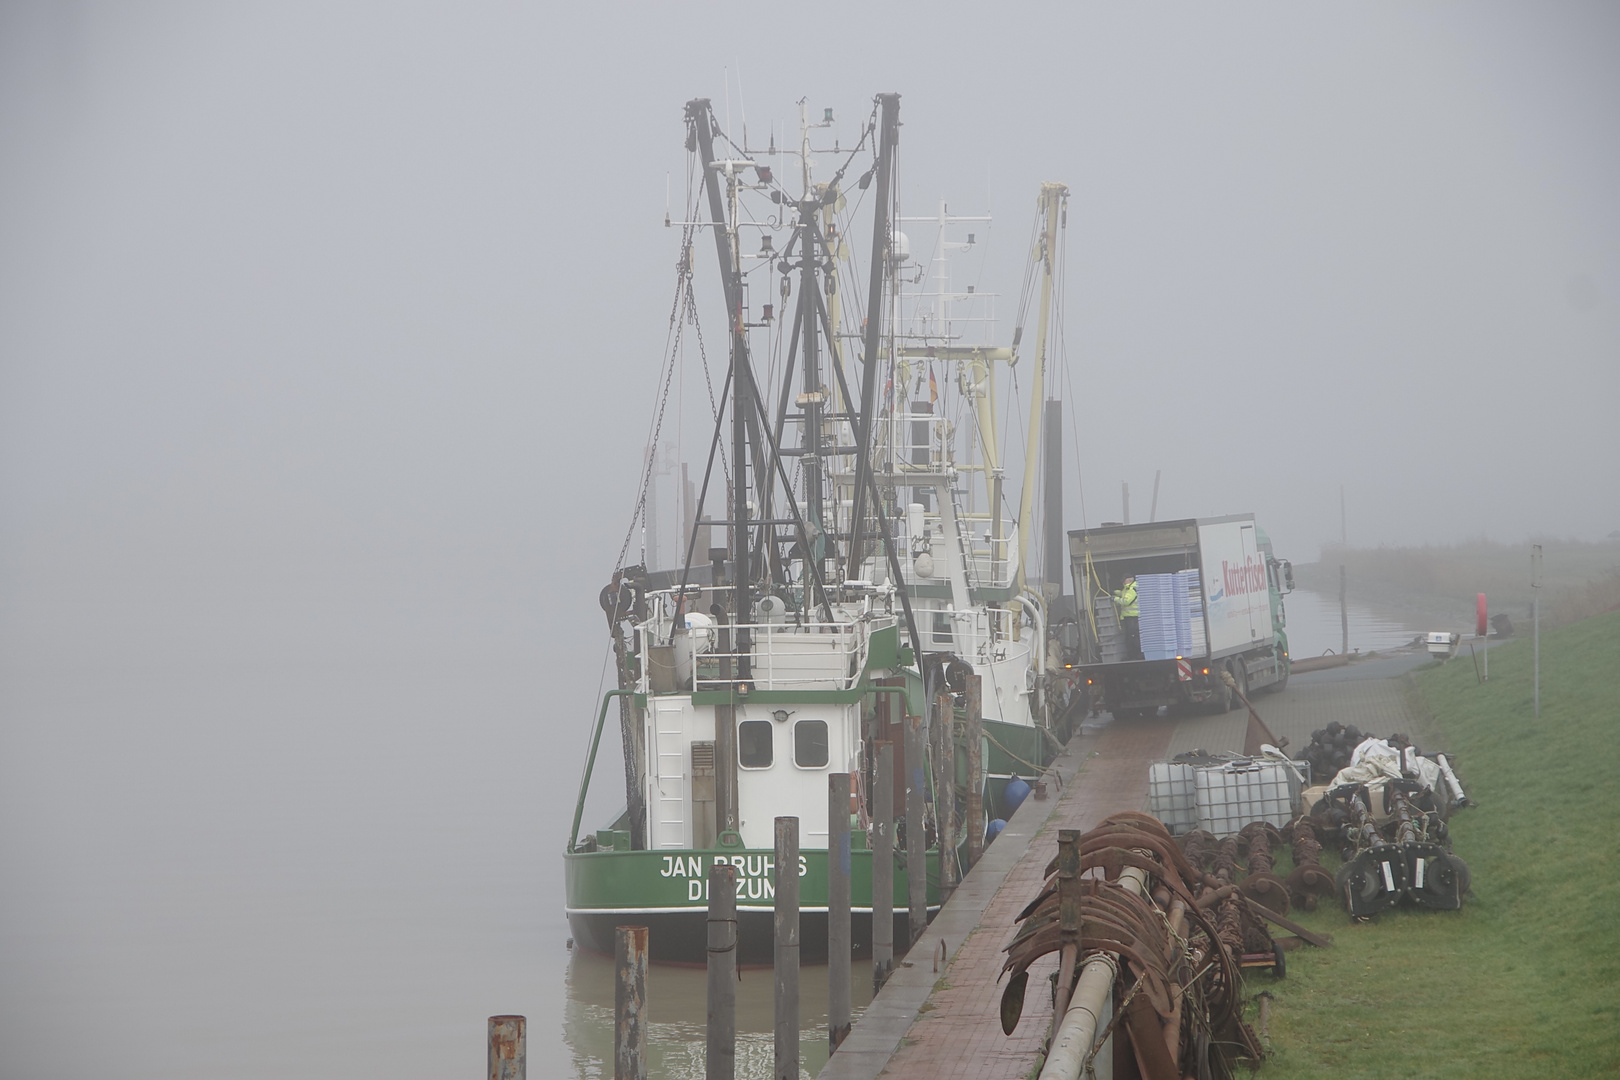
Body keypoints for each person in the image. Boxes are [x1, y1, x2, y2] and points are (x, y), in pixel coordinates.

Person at [1113, 575, 1141, 660]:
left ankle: (1134, 656)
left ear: (1129, 580)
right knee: (1130, 637)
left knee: (1132, 638)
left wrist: (1115, 599)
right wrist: (1115, 592)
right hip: (1129, 618)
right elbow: (1123, 594)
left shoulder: (1132, 590)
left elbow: (1126, 601)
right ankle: (1133, 655)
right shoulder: (1128, 589)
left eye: (1123, 580)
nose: (1122, 582)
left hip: (1132, 617)